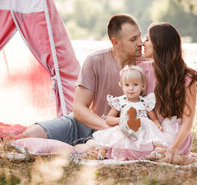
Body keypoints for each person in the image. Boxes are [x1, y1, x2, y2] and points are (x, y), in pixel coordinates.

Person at [21, 14, 156, 146]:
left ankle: (80, 148)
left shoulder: (147, 65)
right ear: (116, 43)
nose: (141, 43)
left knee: (90, 148)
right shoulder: (95, 61)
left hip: (125, 131)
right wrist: (107, 129)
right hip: (89, 124)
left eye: (140, 36)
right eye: (133, 39)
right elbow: (79, 109)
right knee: (32, 134)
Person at [142, 22, 197, 164]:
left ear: (159, 44)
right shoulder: (142, 70)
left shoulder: (188, 78)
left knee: (161, 154)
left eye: (148, 39)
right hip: (150, 134)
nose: (143, 43)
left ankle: (174, 154)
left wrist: (172, 149)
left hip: (174, 136)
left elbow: (187, 121)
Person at [83, 65, 168, 160]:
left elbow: (154, 118)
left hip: (143, 129)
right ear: (122, 86)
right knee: (112, 134)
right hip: (126, 128)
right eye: (127, 85)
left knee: (154, 134)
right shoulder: (120, 101)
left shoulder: (145, 102)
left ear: (143, 86)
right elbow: (109, 119)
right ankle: (101, 153)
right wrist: (122, 120)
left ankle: (158, 151)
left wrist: (157, 126)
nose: (131, 88)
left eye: (135, 84)